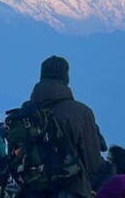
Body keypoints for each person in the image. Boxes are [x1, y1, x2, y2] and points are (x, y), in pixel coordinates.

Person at [29, 56, 105, 198]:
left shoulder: (27, 112)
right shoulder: (81, 113)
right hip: (71, 190)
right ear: (66, 77)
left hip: (31, 190)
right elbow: (93, 164)